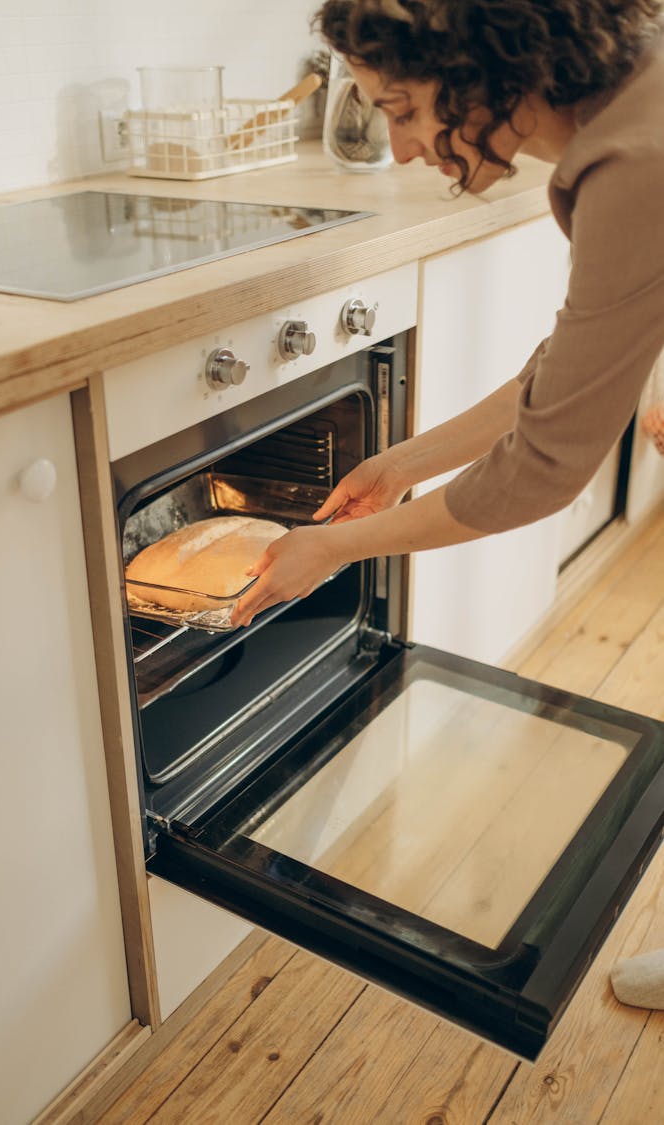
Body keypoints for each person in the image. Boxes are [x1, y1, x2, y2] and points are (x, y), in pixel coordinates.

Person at [231, 0, 664, 1005]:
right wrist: (403, 462)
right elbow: (567, 373)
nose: (398, 144)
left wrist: (337, 550)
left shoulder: (631, 160)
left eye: (400, 105)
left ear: (476, 63)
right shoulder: (627, 105)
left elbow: (544, 466)